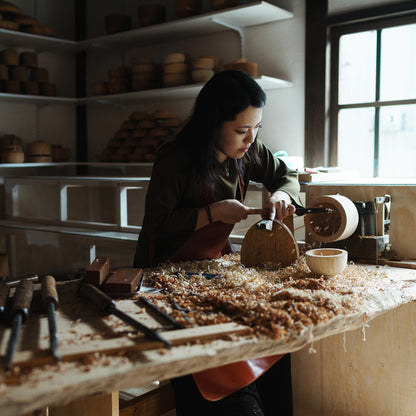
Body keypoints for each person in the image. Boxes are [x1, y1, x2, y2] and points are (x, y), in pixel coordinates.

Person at [134, 70, 301, 416]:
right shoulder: (175, 160)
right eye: (241, 130)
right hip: (166, 273)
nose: (250, 140)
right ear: (213, 123)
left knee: (276, 337)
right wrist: (211, 213)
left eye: (257, 129)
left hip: (213, 266)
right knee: (224, 374)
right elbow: (158, 226)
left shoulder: (248, 153)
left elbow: (287, 175)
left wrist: (283, 194)